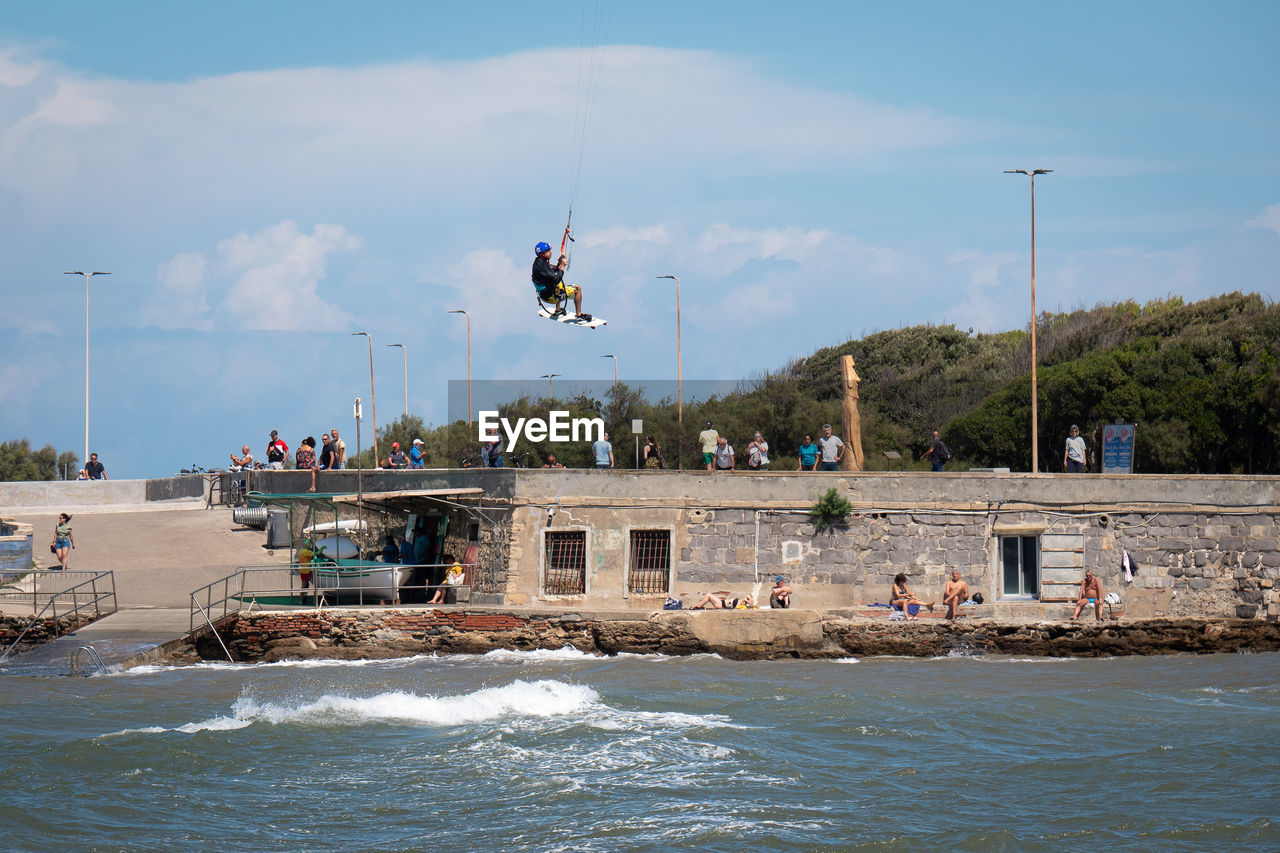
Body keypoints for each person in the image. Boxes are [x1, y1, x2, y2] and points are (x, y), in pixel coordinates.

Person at [531, 241, 591, 320]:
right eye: (548, 251)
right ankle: (579, 315)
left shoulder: (538, 262)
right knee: (577, 289)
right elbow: (556, 279)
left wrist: (559, 262)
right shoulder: (542, 266)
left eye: (550, 250)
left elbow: (553, 270)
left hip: (544, 294)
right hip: (550, 298)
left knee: (559, 285)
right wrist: (562, 266)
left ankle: (558, 310)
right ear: (542, 254)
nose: (550, 252)